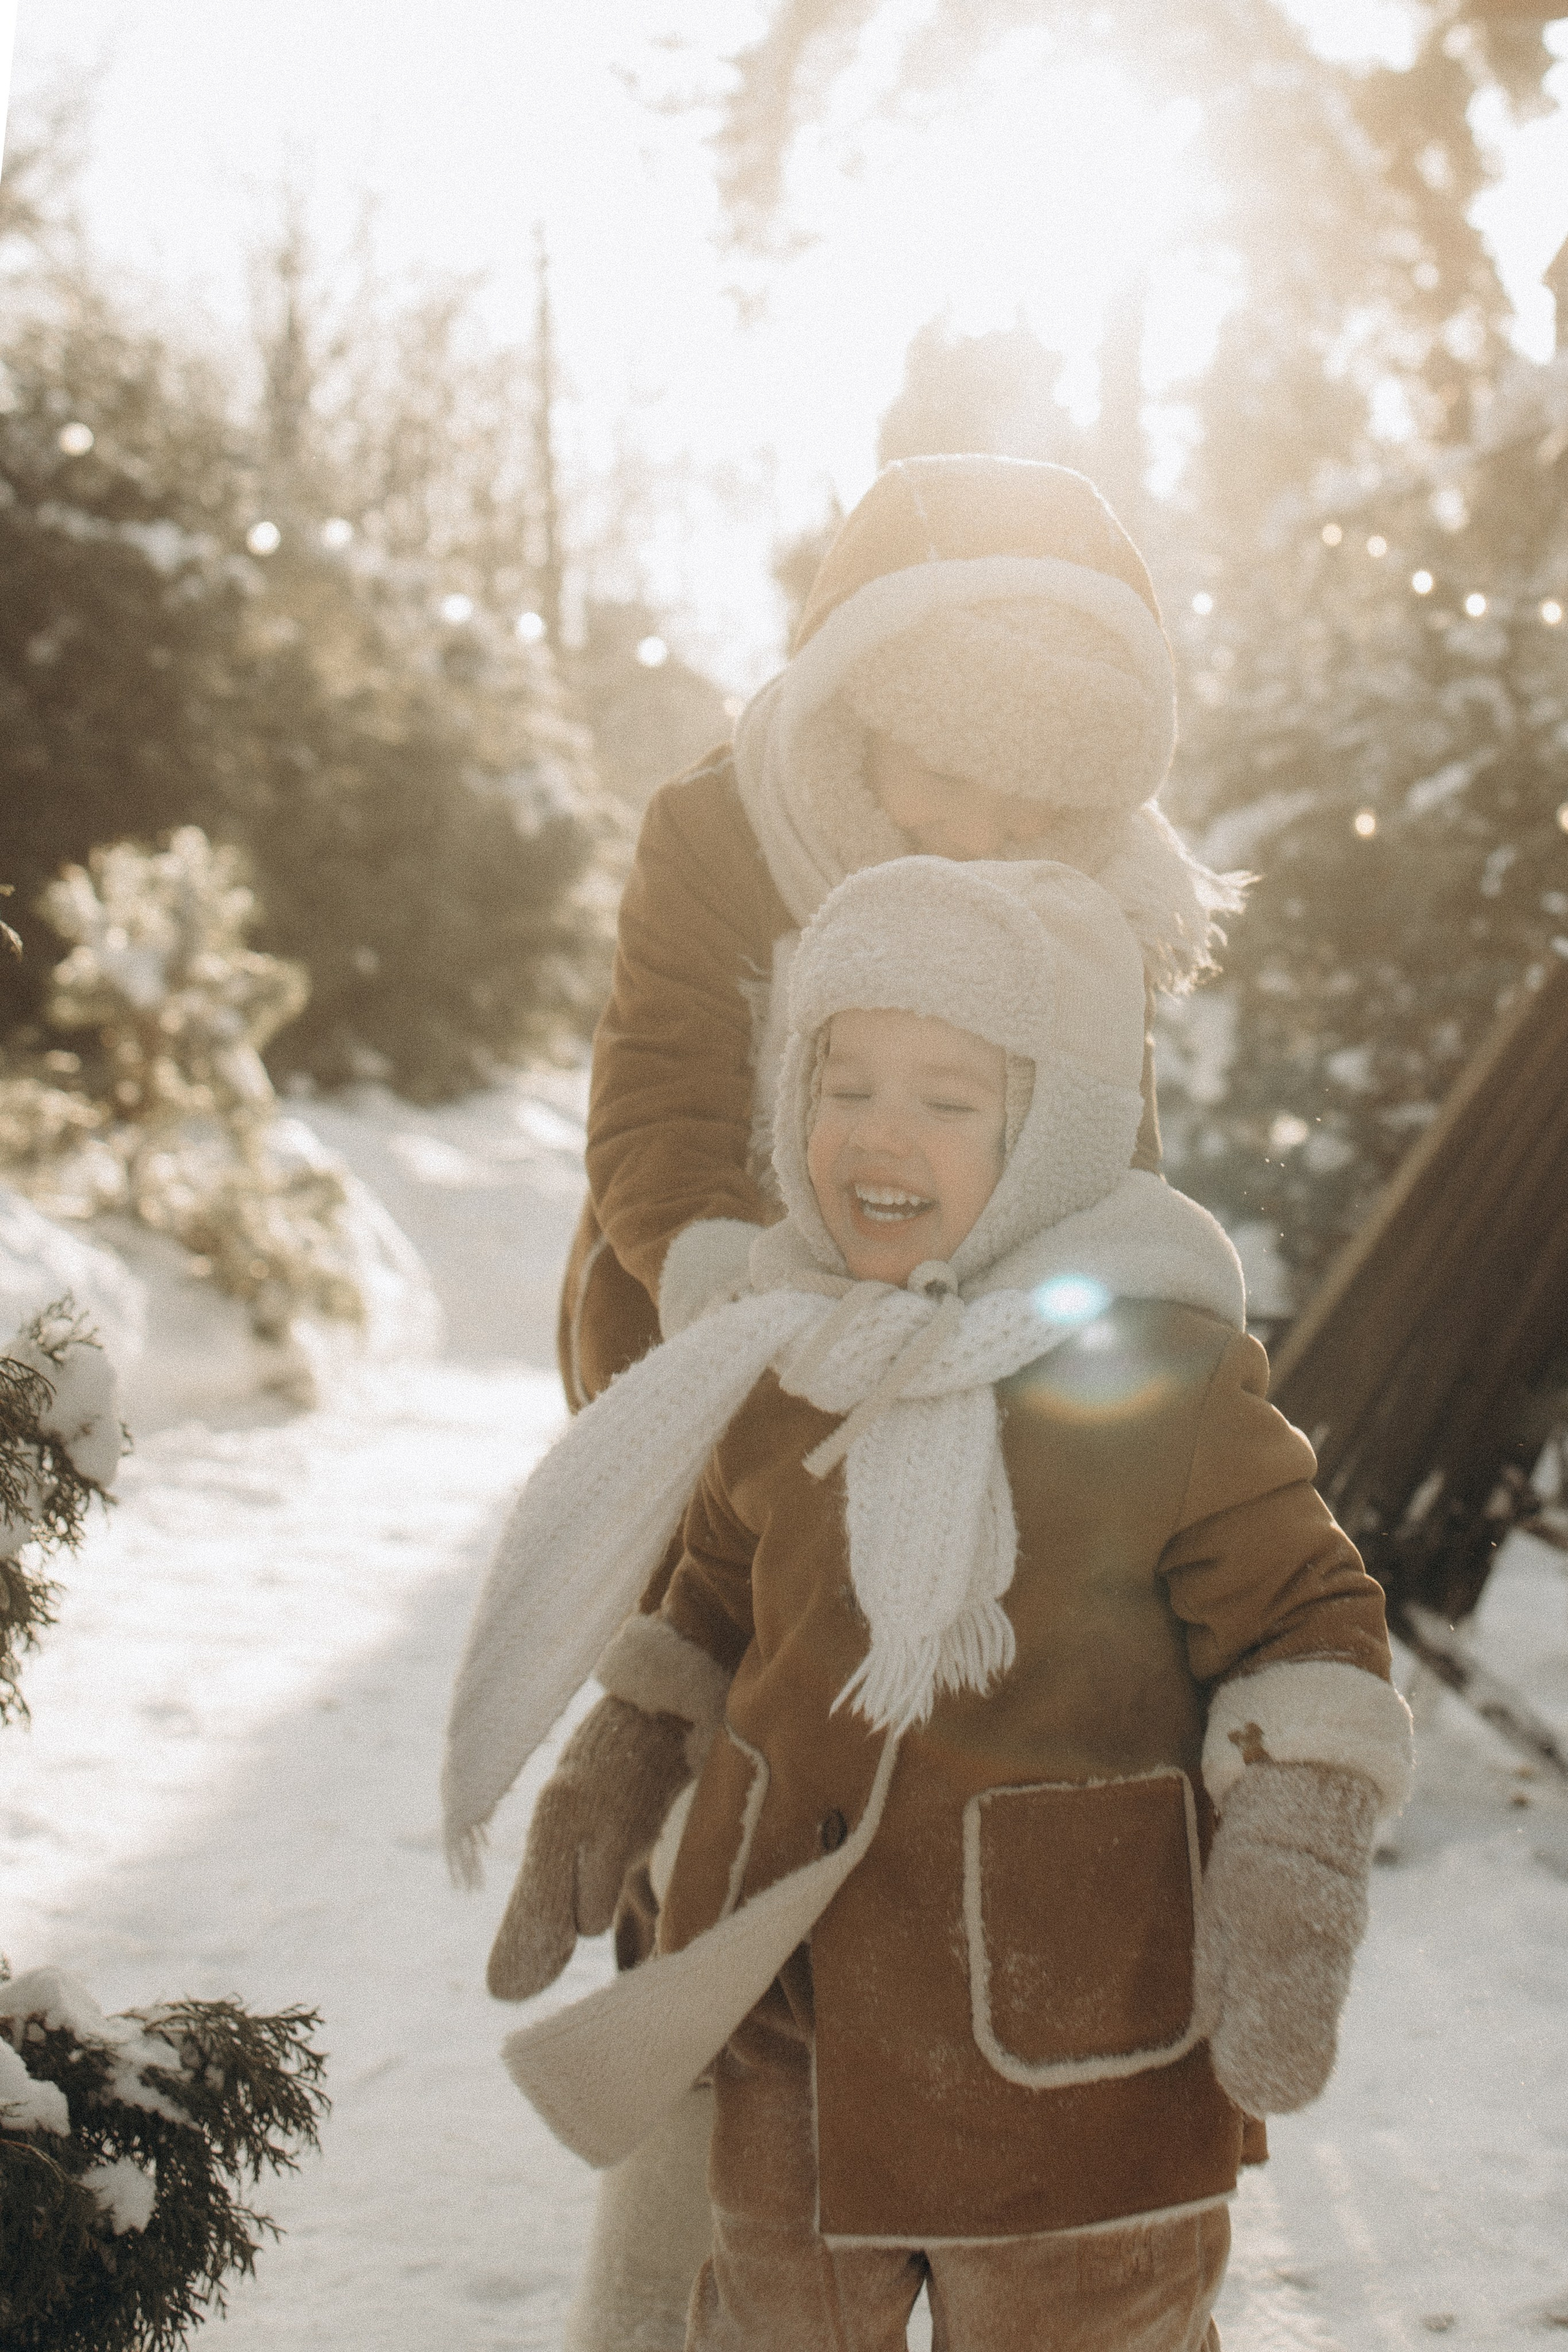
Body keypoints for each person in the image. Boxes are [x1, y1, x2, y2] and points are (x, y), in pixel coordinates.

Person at [445, 858, 1412, 2352]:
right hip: (790, 2025)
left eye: (947, 1099)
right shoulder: (776, 1360)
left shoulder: (1152, 1374)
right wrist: (620, 1757)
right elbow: (712, 1593)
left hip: (1063, 2044)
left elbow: (1304, 1618)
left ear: (1049, 1134)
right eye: (844, 1083)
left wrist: (1291, 1856)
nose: (878, 1131)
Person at [529, 454, 1243, 2348]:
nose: (992, 824)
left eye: (1040, 792)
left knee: (954, 1824)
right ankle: (686, 2282)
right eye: (951, 774)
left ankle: (1008, 2220)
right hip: (722, 1393)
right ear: (858, 711)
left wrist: (1120, 1416)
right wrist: (759, 1328)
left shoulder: (1080, 904)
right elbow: (662, 1111)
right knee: (725, 1835)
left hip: (984, 1432)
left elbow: (1102, 1161)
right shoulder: (726, 837)